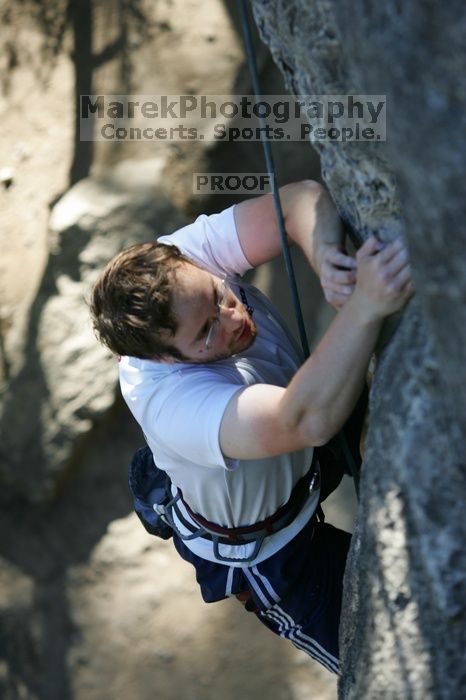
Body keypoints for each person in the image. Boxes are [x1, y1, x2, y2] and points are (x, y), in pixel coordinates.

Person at [90, 180, 412, 674]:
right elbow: (308, 420)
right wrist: (366, 305)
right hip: (272, 550)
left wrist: (326, 258)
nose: (232, 316)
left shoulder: (177, 272)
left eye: (219, 293)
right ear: (163, 357)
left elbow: (298, 202)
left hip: (296, 446)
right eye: (206, 333)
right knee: (379, 660)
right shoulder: (171, 402)